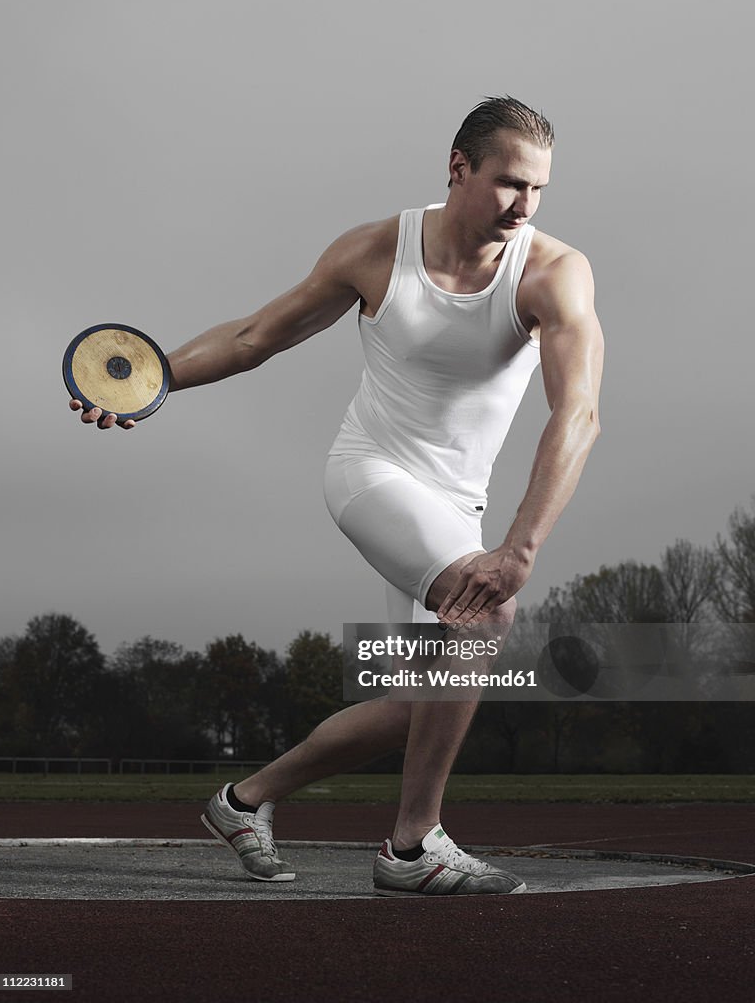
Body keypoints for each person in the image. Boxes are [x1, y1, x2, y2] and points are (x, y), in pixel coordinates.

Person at [70, 96, 603, 897]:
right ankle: (413, 847)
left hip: (458, 509)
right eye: (508, 184)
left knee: (420, 703)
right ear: (458, 168)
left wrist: (519, 544)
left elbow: (579, 413)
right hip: (372, 474)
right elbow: (256, 337)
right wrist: (150, 383)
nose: (523, 207)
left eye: (538, 191)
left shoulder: (554, 272)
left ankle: (242, 801)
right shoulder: (374, 252)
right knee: (487, 612)